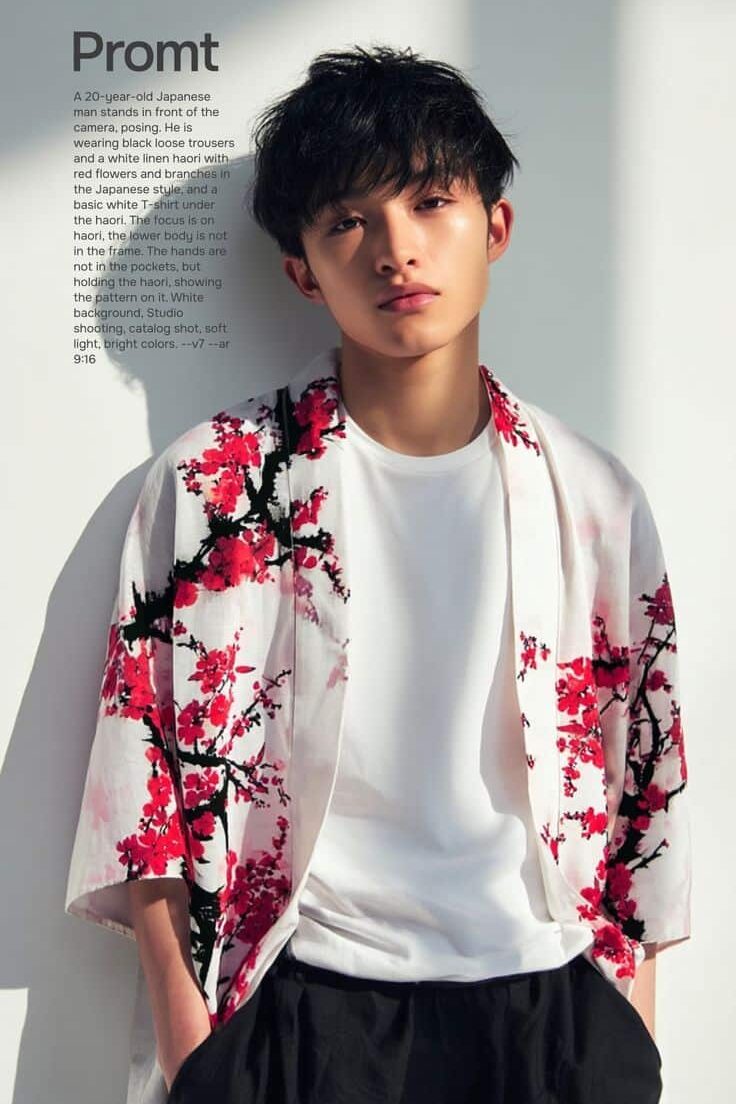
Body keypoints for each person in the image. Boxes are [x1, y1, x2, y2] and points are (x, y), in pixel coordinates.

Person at [64, 44, 692, 1104]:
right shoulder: (216, 483)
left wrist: (625, 1027)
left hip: (548, 1004)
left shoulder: (593, 497)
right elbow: (142, 771)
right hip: (296, 1005)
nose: (396, 251)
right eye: (349, 220)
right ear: (303, 268)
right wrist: (192, 1039)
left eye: (431, 202)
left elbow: (647, 775)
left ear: (494, 227)